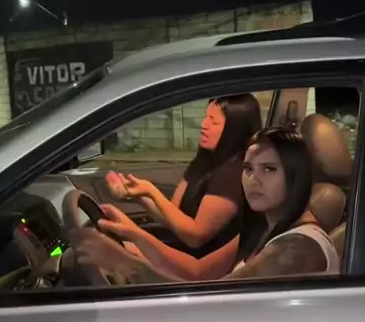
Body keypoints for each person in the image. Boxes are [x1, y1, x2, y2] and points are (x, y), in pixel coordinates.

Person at [72, 128, 340, 285]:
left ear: (295, 176)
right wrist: (132, 234)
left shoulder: (298, 249)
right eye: (248, 168)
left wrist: (121, 263)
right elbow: (197, 272)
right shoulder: (264, 227)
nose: (253, 179)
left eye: (269, 169)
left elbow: (213, 303)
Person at [106, 94, 262, 256]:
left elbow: (195, 237)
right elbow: (173, 217)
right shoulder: (205, 161)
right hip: (180, 252)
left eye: (214, 122)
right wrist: (138, 196)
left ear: (234, 131)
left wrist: (151, 191)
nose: (204, 125)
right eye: (206, 117)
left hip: (199, 265)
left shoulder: (233, 174)